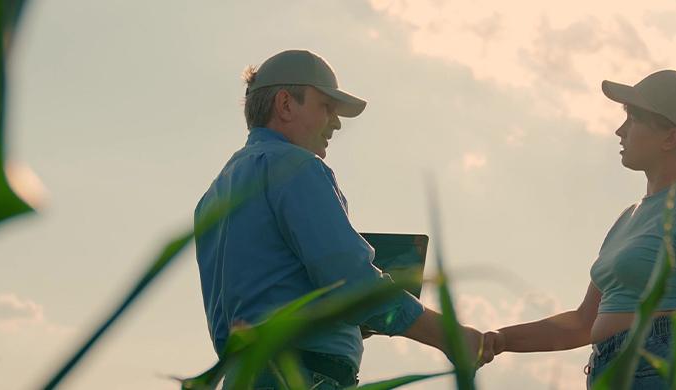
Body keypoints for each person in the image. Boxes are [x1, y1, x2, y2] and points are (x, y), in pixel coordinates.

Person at [194, 49, 494, 389]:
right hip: (303, 376)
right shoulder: (297, 167)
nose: (335, 123)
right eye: (326, 107)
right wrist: (448, 336)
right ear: (286, 104)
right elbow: (351, 283)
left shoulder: (213, 197)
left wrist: (347, 321)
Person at [482, 70, 676, 389]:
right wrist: (500, 339)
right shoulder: (628, 217)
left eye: (632, 120)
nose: (620, 131)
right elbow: (582, 323)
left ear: (670, 138)